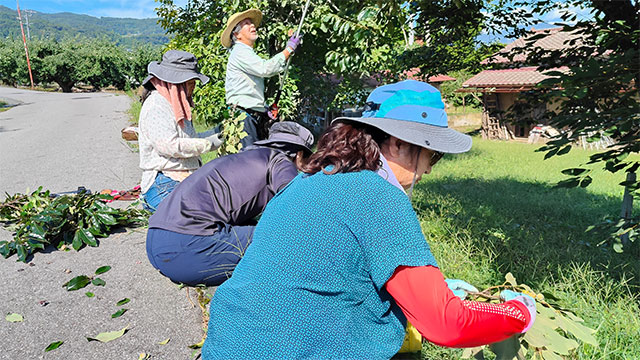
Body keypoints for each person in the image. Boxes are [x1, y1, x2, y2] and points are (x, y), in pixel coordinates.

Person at [202, 80, 536, 359]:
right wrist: (518, 314)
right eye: (431, 153)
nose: (430, 167)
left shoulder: (307, 182)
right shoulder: (379, 196)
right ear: (399, 142)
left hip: (229, 342)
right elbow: (444, 324)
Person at [146, 121, 314, 287]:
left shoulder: (246, 157)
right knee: (288, 241)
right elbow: (296, 211)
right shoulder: (281, 162)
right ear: (299, 155)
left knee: (257, 228)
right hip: (186, 248)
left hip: (156, 241)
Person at [138, 50, 224, 212]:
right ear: (177, 82)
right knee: (200, 217)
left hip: (183, 178)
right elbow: (169, 145)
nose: (194, 86)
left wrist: (216, 133)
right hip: (162, 183)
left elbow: (188, 138)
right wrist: (207, 144)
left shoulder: (176, 105)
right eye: (191, 82)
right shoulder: (157, 106)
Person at [221, 8, 302, 149]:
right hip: (243, 117)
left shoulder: (246, 52)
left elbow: (248, 88)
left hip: (250, 114)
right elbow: (265, 69)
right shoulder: (240, 52)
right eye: (246, 23)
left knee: (257, 158)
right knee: (250, 161)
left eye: (252, 23)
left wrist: (264, 109)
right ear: (236, 34)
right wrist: (288, 50)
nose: (252, 25)